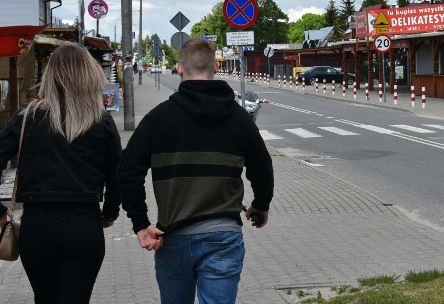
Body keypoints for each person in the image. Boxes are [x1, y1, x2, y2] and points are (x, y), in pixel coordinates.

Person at [118, 37, 274, 304]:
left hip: (173, 239)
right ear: (215, 69)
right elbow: (262, 165)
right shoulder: (239, 119)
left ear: (180, 68)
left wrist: (141, 224)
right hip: (223, 237)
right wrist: (261, 204)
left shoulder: (158, 118)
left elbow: (127, 172)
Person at [0, 43, 122, 304]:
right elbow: (116, 174)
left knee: (45, 298)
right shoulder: (100, 119)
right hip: (84, 224)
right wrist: (110, 212)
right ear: (88, 74)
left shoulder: (26, 116)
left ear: (50, 75)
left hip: (37, 226)